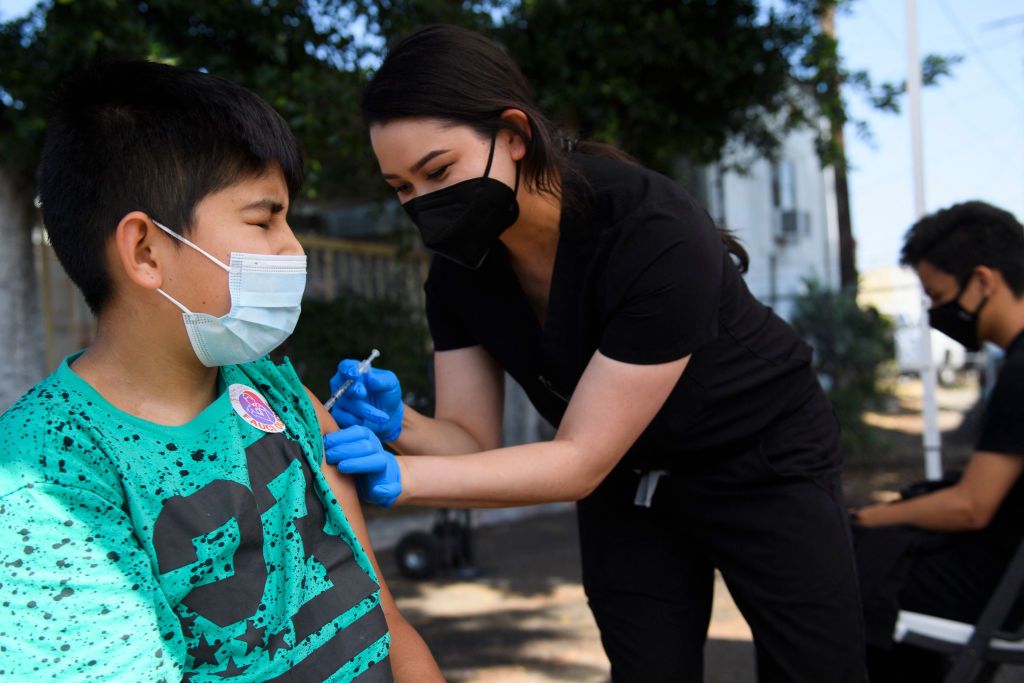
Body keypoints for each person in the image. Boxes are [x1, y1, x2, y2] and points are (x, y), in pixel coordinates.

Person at [323, 24, 865, 682]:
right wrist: (399, 427)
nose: (423, 201)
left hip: (763, 460)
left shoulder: (652, 230)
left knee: (818, 667)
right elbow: (472, 441)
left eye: (438, 170)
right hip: (629, 484)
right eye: (401, 187)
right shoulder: (460, 275)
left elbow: (578, 460)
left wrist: (400, 478)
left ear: (515, 136)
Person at [0, 60, 443, 681]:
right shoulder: (48, 473)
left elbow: (381, 613)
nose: (294, 248)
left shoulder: (272, 388)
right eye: (265, 220)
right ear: (146, 251)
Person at [851, 201, 1024, 681]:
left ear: (984, 281)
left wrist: (870, 516)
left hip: (992, 586)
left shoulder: (1020, 373)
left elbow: (972, 506)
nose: (934, 311)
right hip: (1003, 575)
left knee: (832, 577)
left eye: (937, 294)